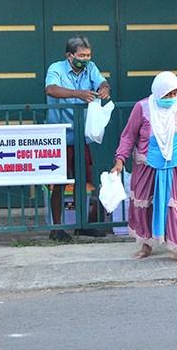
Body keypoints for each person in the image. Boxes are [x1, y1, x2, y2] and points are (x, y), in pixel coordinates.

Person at [110, 72, 177, 266]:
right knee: (145, 206)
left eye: (175, 93)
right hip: (148, 167)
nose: (171, 99)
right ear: (158, 92)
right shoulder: (143, 107)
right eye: (167, 94)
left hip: (175, 167)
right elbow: (128, 136)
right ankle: (146, 245)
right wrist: (120, 160)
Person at [45, 35, 110, 241]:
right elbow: (51, 89)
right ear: (69, 56)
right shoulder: (56, 68)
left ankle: (82, 224)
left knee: (83, 181)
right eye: (82, 55)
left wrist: (104, 89)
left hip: (81, 135)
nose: (86, 58)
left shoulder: (90, 68)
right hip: (60, 135)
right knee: (59, 182)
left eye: (88, 55)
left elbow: (102, 81)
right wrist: (79, 94)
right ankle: (56, 228)